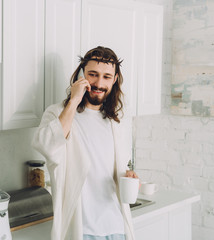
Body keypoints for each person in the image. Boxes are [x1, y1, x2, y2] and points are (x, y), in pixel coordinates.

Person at [32, 46, 138, 240]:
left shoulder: (118, 120)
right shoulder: (58, 114)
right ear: (81, 75)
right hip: (81, 229)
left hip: (116, 226)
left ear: (114, 80)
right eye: (93, 74)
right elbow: (46, 146)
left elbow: (114, 168)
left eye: (107, 77)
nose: (99, 83)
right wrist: (74, 100)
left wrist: (128, 176)